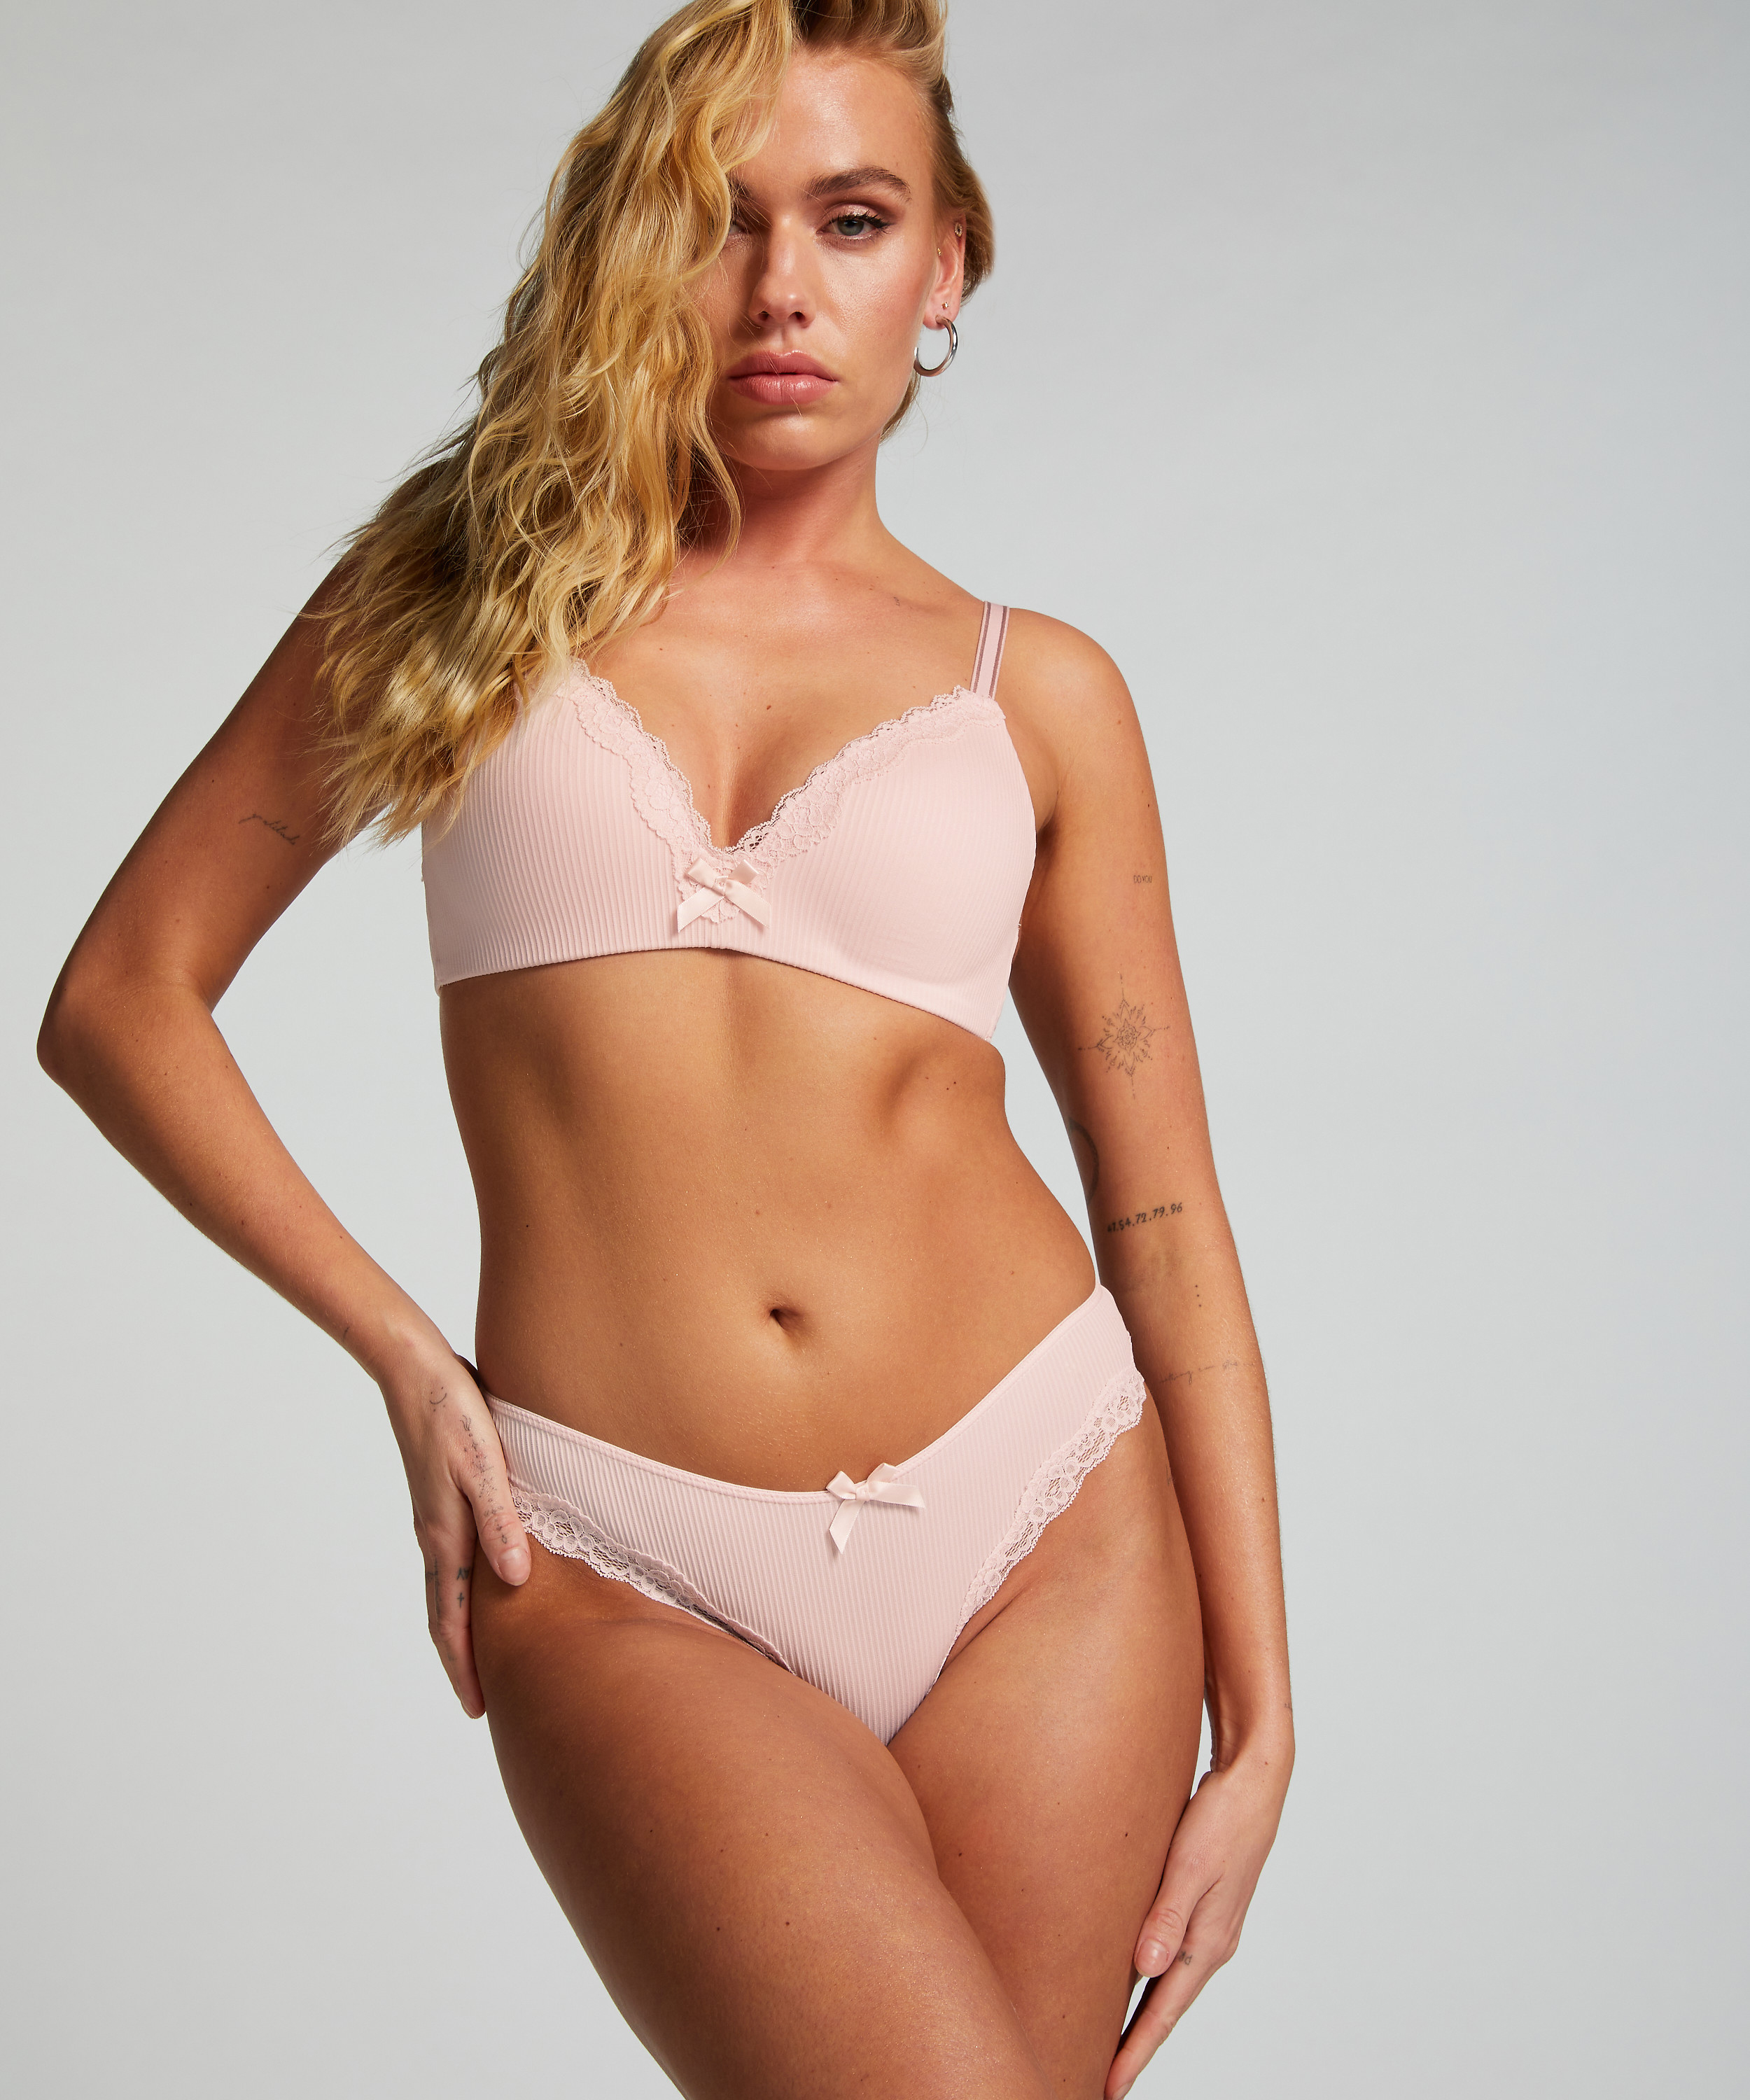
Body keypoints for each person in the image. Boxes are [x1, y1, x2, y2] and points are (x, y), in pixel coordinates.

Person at [38, 3, 1292, 2094]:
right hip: (616, 1551)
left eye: (854, 220)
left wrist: (1262, 1727)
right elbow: (119, 1002)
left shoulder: (1041, 693)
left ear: (947, 264)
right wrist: (409, 1361)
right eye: (718, 219)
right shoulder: (451, 603)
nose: (781, 287)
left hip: (1049, 1521)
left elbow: (1162, 1215)